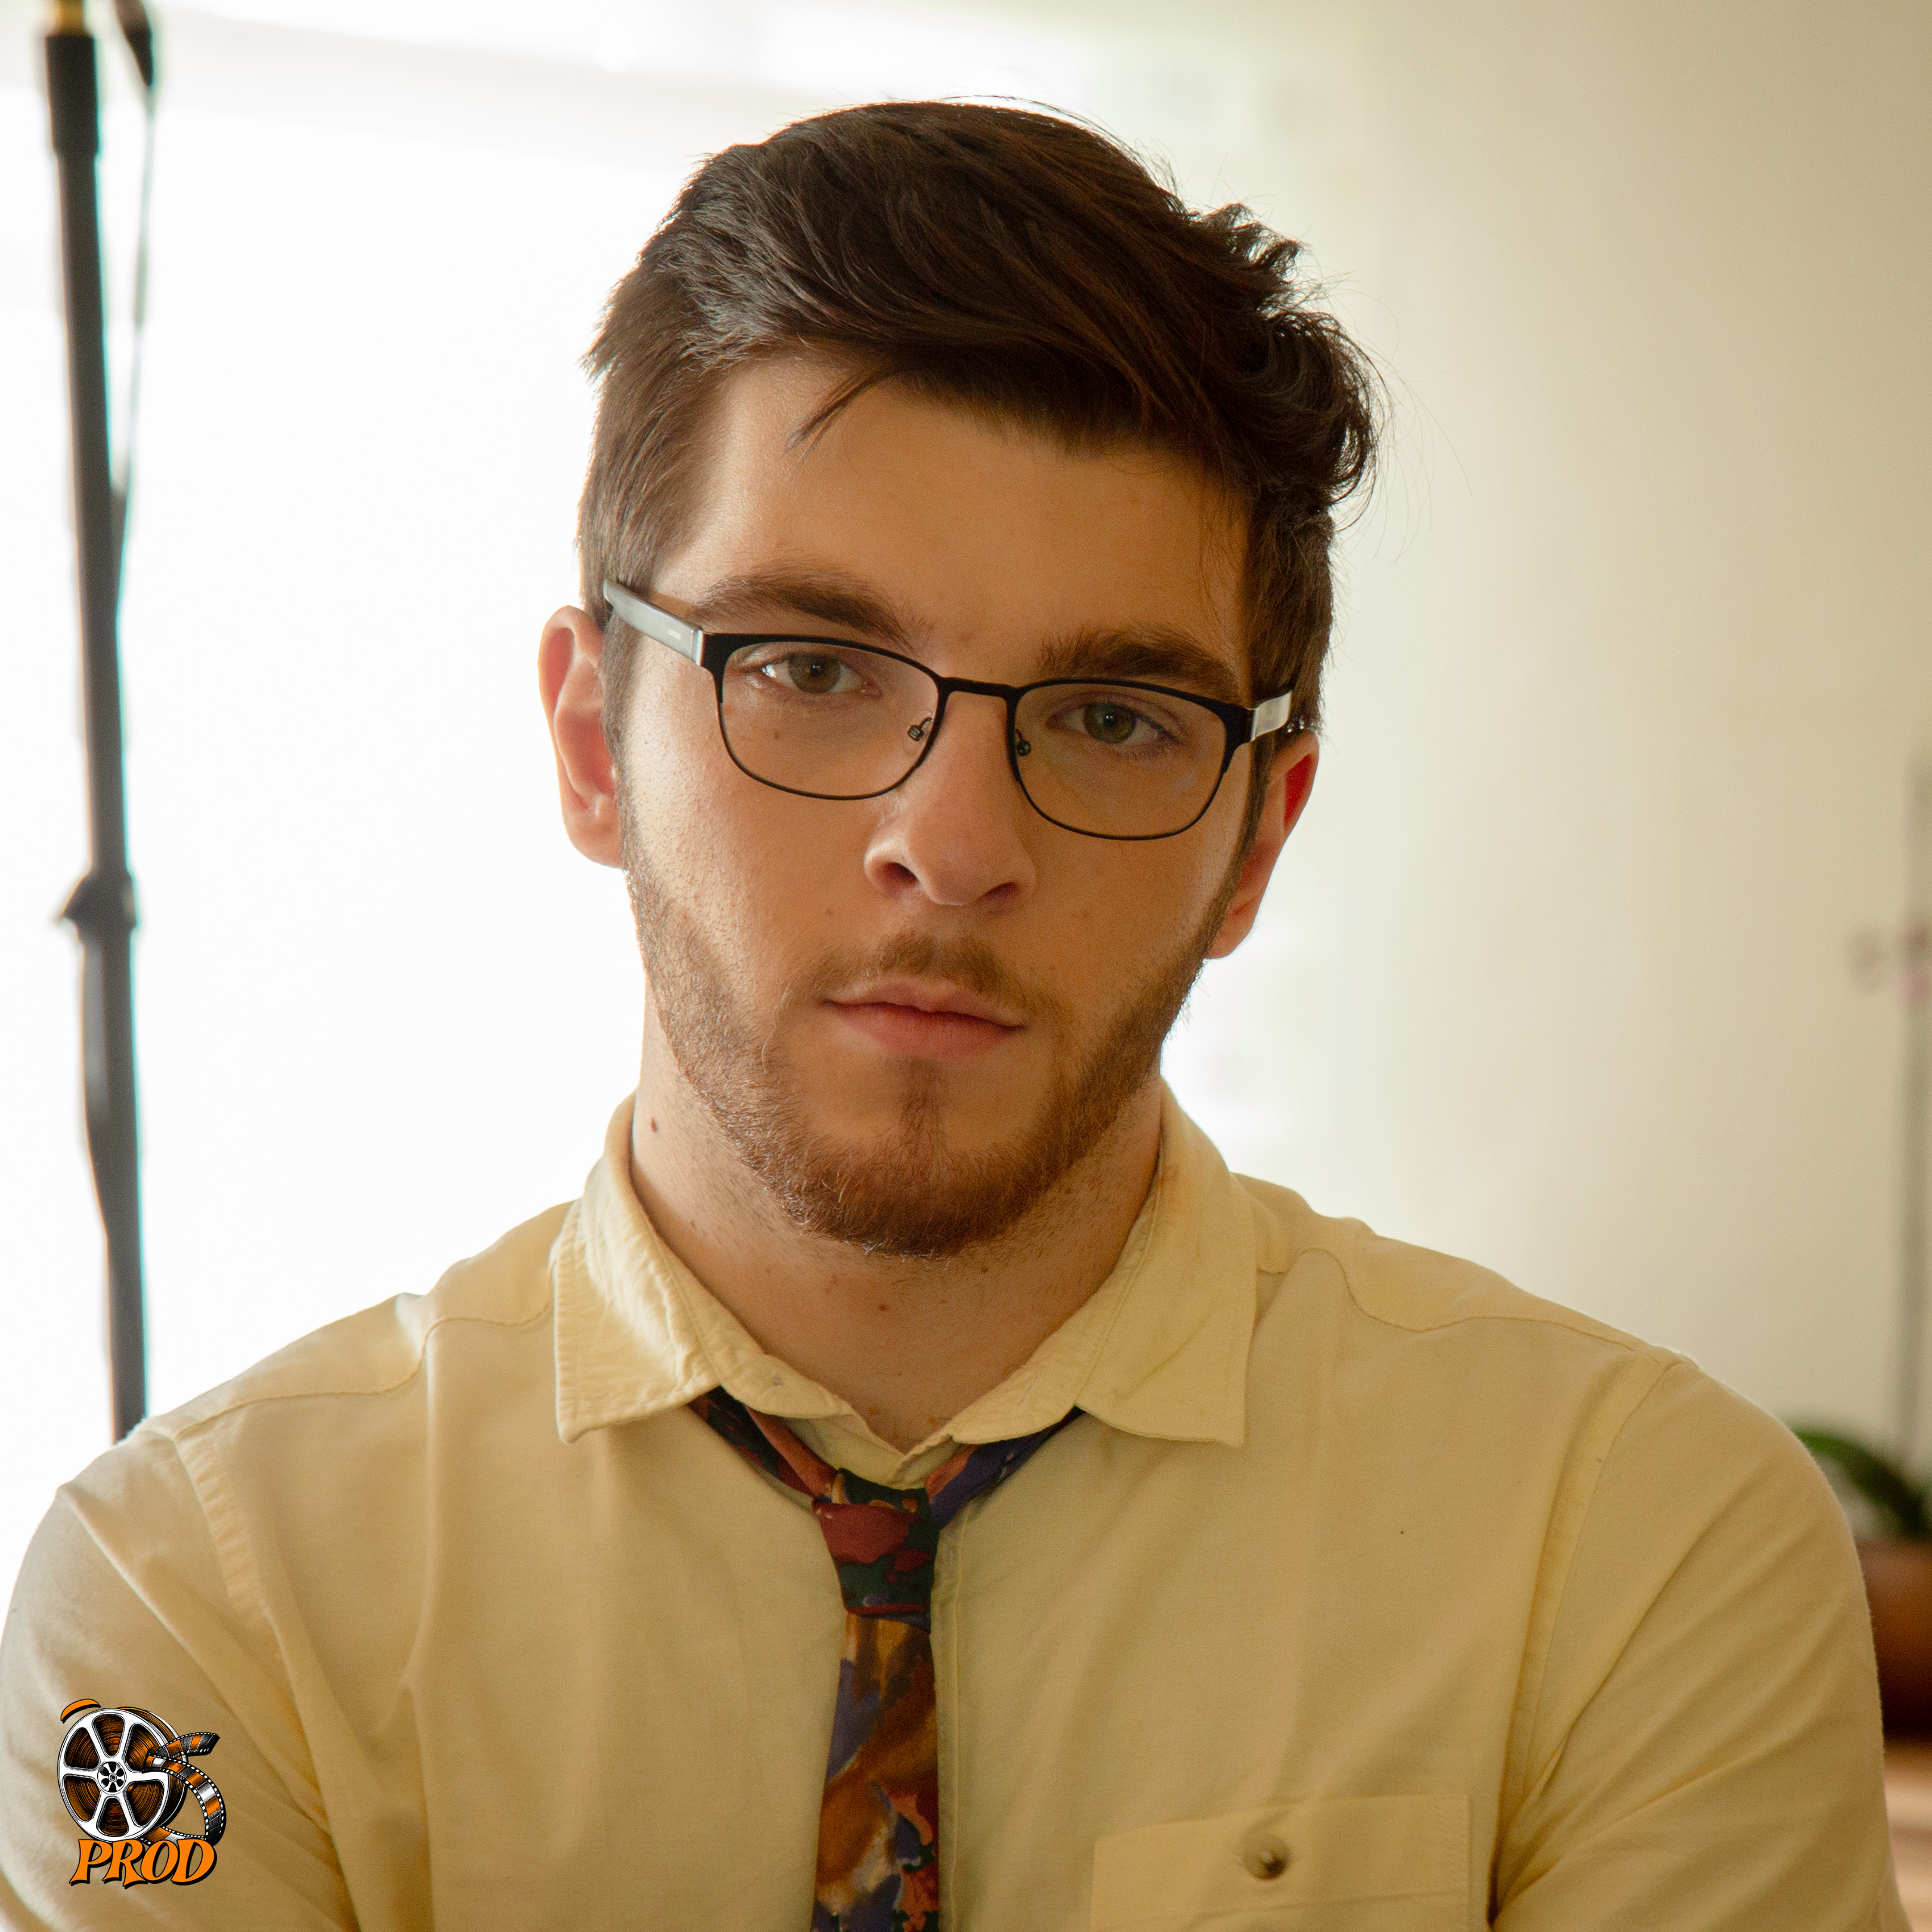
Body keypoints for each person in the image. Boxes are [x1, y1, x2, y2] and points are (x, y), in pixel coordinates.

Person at [0, 100, 1903, 1931]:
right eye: (812, 667)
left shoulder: (1631, 1543)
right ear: (592, 743)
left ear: (1257, 837)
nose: (955, 843)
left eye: (1113, 717)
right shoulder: (195, 1604)